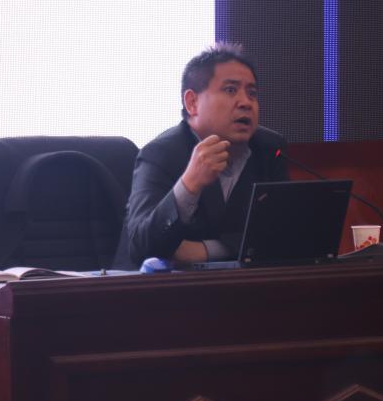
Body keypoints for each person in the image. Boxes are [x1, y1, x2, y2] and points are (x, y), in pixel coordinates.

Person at [117, 42, 288, 267]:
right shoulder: (161, 154)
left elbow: (283, 233)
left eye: (252, 93)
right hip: (156, 287)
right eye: (230, 90)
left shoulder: (269, 149)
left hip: (244, 284)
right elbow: (140, 248)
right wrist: (189, 185)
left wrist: (207, 250)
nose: (246, 103)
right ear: (192, 103)